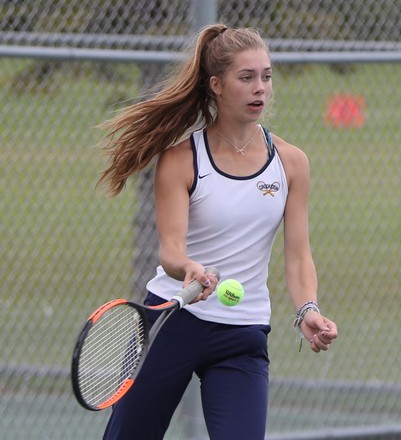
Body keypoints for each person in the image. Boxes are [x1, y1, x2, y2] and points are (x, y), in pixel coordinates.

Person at [99, 24, 338, 440]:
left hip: (243, 334)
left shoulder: (291, 163)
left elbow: (299, 255)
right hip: (172, 321)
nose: (260, 88)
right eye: (246, 77)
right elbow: (170, 250)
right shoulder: (181, 160)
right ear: (216, 85)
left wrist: (308, 309)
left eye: (266, 76)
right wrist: (189, 268)